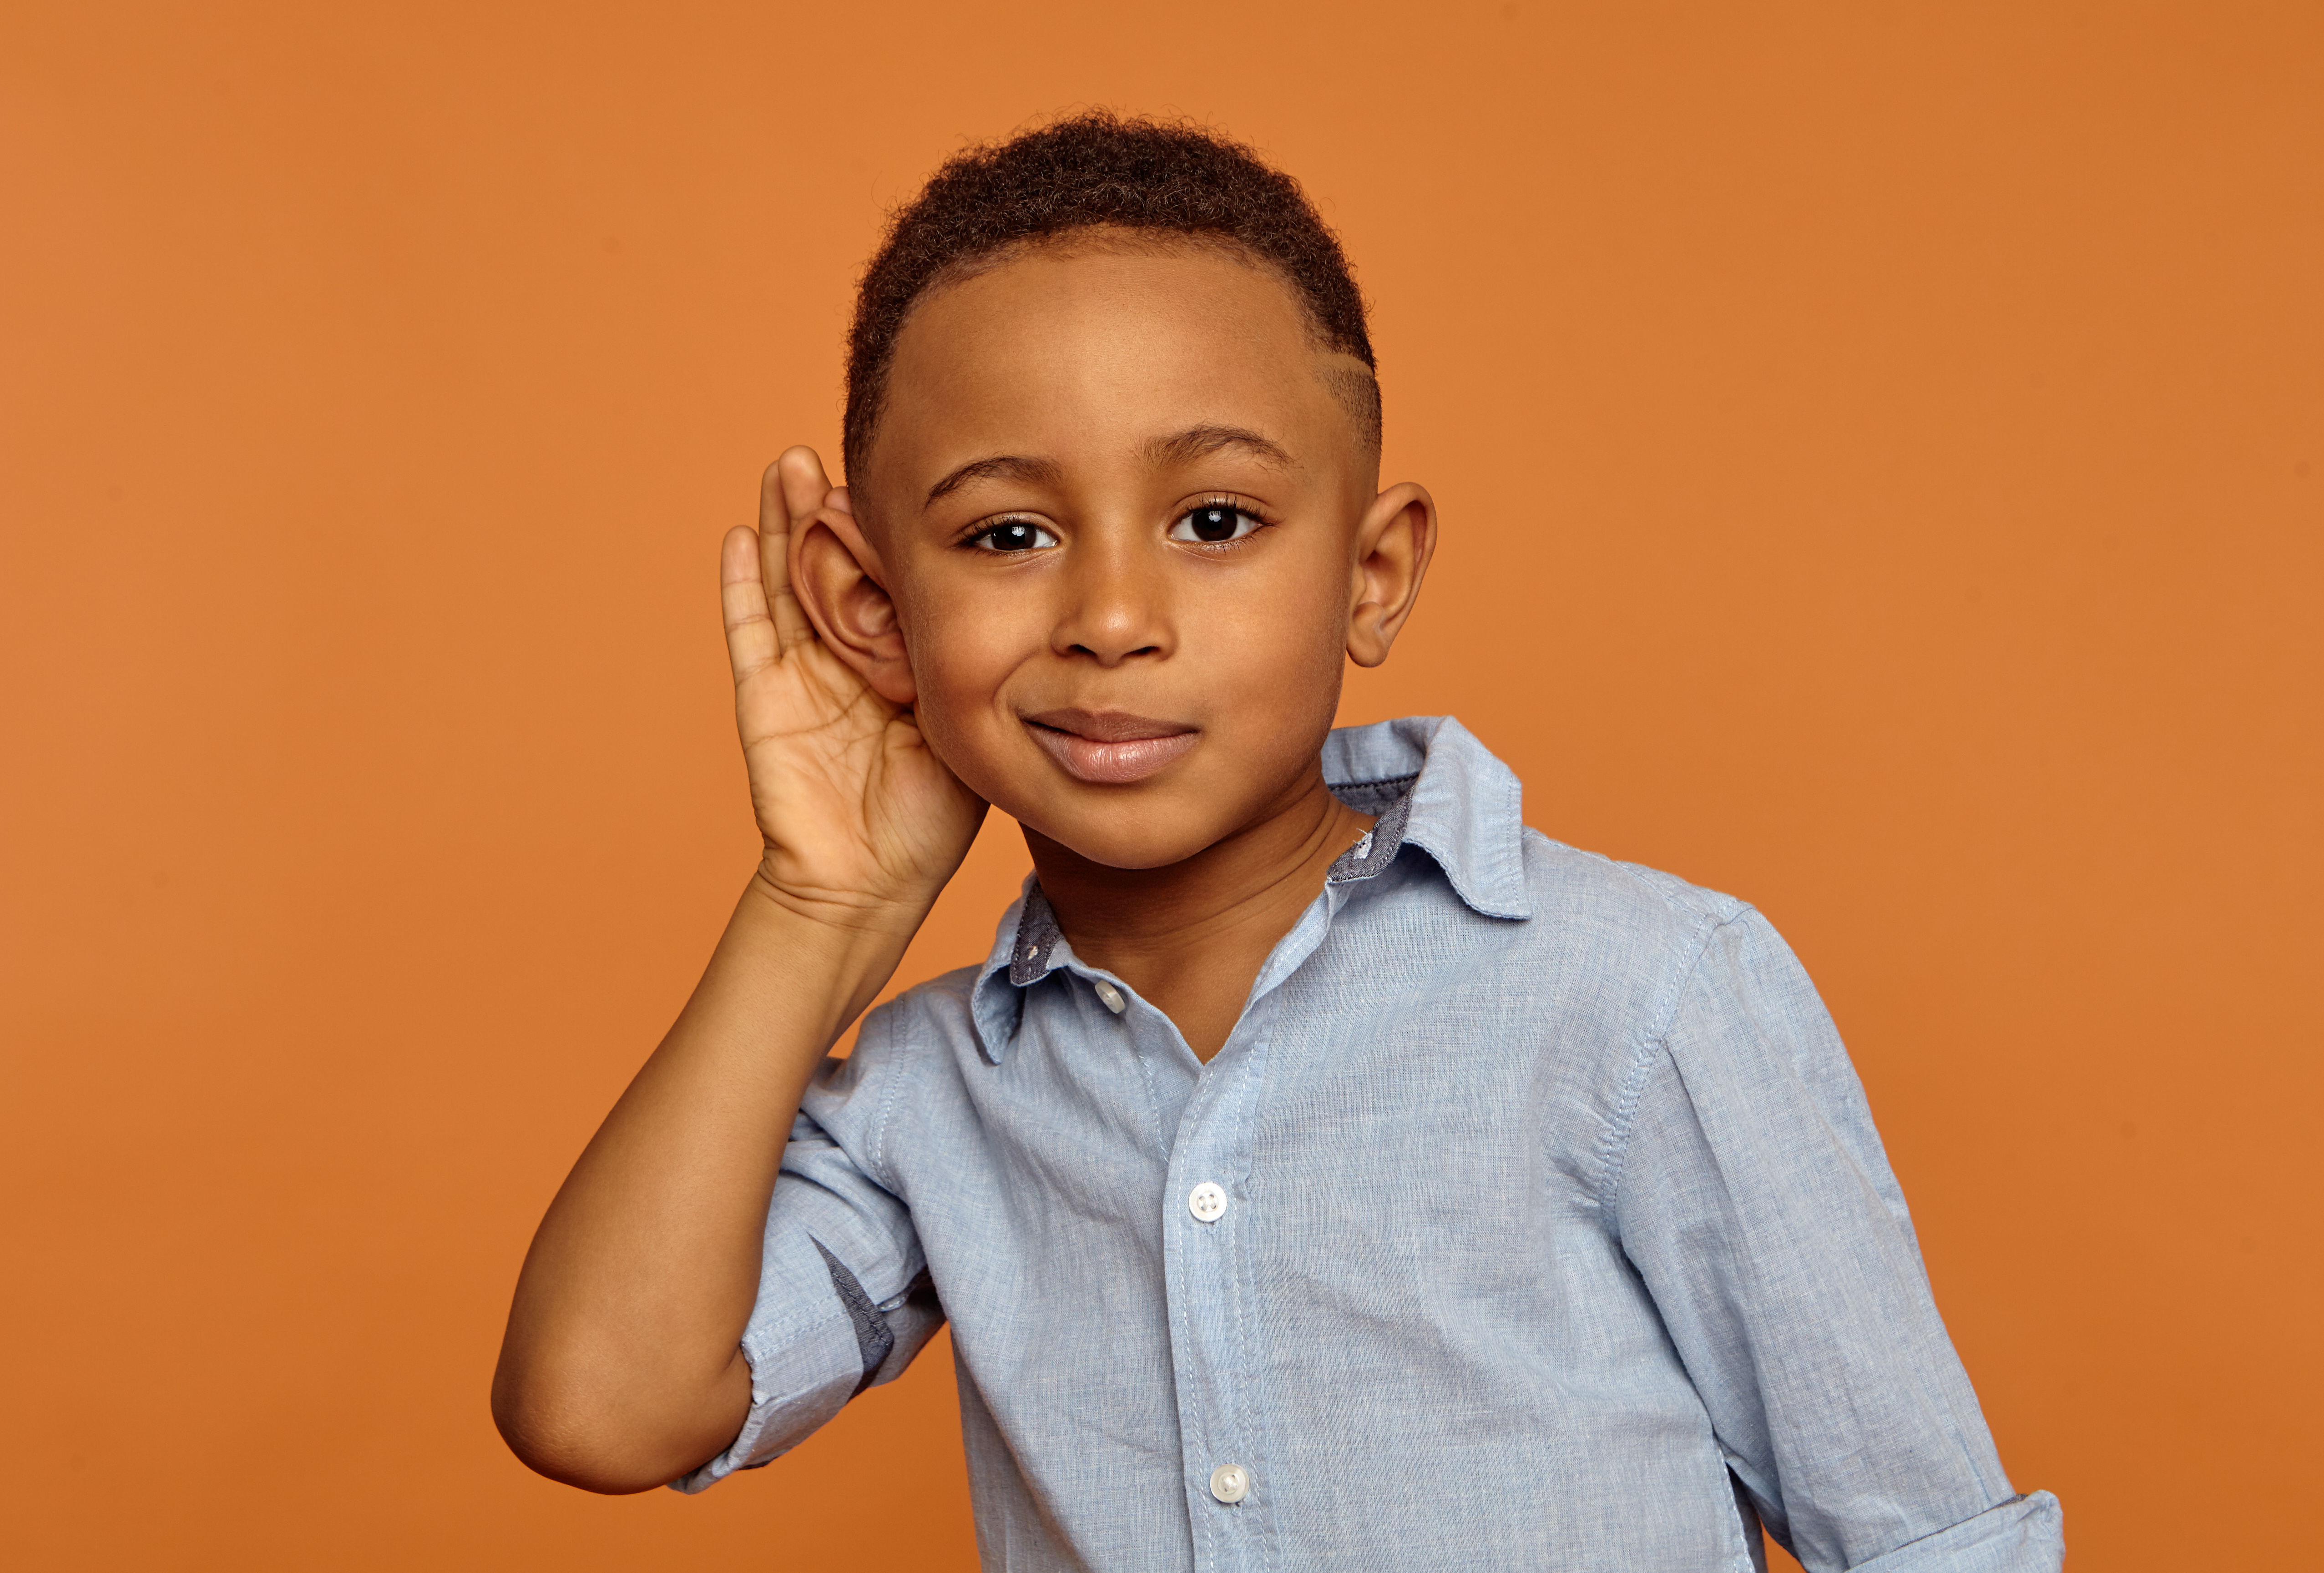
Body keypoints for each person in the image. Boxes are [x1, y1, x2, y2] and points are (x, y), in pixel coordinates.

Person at [489, 113, 2062, 1572]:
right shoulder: (932, 1093)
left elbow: (1931, 1541)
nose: (1113, 619)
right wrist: (820, 898)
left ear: (1371, 573)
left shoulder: (1642, 995)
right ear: (868, 603)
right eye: (1007, 536)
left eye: (1217, 521)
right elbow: (602, 1407)